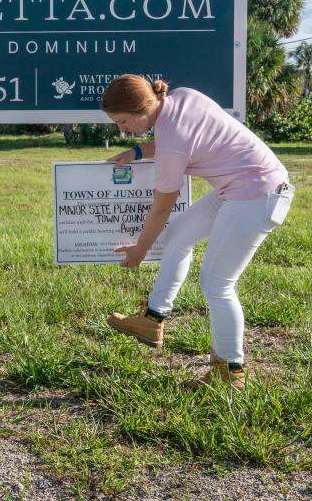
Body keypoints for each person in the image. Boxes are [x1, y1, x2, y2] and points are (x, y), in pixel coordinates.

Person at [101, 74, 294, 389]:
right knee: (178, 235)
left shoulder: (171, 143)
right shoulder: (182, 96)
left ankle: (230, 373)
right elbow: (179, 142)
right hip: (241, 187)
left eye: (123, 121)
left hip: (258, 195)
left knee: (217, 285)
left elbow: (161, 207)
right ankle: (153, 319)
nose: (121, 129)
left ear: (141, 109)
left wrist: (139, 251)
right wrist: (138, 151)